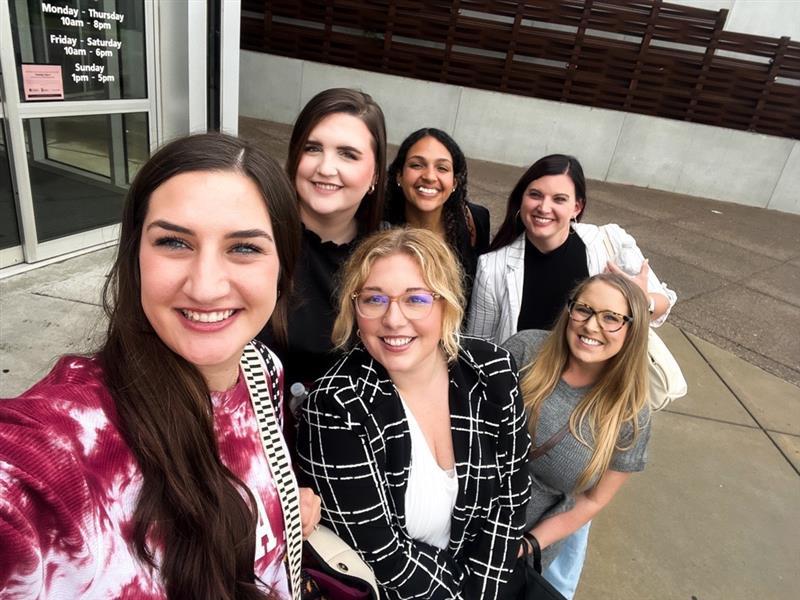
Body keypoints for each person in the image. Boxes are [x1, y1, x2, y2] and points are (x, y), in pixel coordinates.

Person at [0, 133, 321, 599]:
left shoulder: (261, 368)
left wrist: (282, 508)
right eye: (174, 242)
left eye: (244, 248)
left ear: (283, 268)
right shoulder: (70, 439)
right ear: (135, 258)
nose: (206, 287)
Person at [296, 228, 530, 600]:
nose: (393, 319)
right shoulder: (336, 406)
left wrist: (485, 592)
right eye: (374, 299)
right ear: (355, 309)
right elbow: (384, 558)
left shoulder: (493, 369)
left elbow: (510, 500)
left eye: (416, 299)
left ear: (446, 303)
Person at [502, 273, 652, 600]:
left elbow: (592, 500)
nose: (591, 326)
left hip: (521, 548)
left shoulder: (630, 415)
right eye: (584, 309)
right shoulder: (524, 350)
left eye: (611, 318)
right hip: (457, 517)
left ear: (633, 329)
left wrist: (526, 545)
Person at [467, 153, 676, 344]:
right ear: (521, 199)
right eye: (535, 195)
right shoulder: (492, 267)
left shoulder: (609, 242)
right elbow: (479, 346)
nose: (544, 207)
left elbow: (663, 303)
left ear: (577, 207)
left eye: (559, 199)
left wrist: (643, 302)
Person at [257, 87, 387, 392]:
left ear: (375, 175)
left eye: (348, 154)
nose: (326, 168)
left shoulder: (389, 258)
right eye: (313, 148)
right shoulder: (254, 237)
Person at [385, 127, 489, 301]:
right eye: (417, 165)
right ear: (399, 176)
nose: (430, 176)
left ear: (454, 182)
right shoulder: (376, 225)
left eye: (442, 168)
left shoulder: (475, 221)